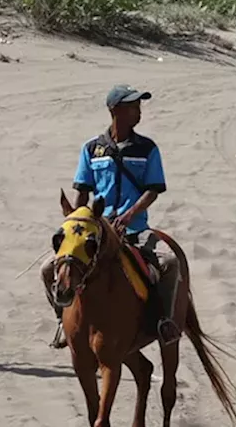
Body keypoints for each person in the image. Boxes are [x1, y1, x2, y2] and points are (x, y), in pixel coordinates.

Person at [41, 84, 181, 349]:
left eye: (138, 107)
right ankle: (62, 319)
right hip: (97, 231)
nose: (138, 112)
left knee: (170, 262)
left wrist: (130, 215)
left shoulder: (147, 149)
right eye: (132, 107)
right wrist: (77, 224)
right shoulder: (92, 149)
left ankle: (164, 321)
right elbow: (82, 191)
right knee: (47, 269)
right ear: (114, 110)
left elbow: (153, 190)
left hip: (135, 228)